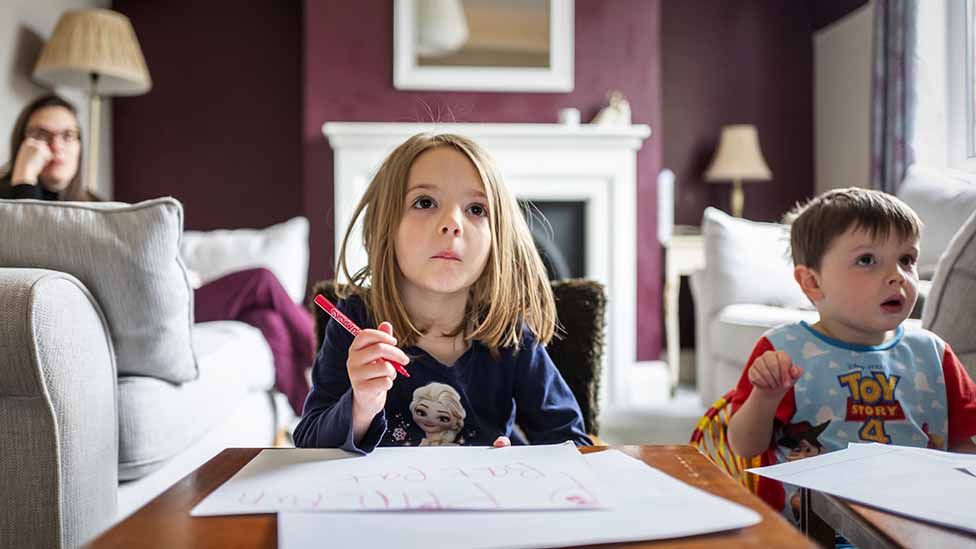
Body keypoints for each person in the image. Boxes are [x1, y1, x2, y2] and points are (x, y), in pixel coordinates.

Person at [2, 94, 314, 415]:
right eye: (41, 135)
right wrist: (23, 179)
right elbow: (27, 248)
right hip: (118, 316)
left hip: (141, 297)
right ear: (21, 142)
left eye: (68, 136)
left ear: (80, 146)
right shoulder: (7, 202)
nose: (57, 146)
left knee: (267, 320)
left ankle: (308, 421)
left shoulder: (93, 204)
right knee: (260, 280)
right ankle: (329, 351)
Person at [292, 133, 591, 452]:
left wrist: (522, 460)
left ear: (497, 239)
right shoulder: (356, 321)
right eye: (424, 202)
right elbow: (310, 444)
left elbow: (572, 441)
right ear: (384, 225)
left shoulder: (509, 333)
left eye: (476, 209)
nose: (452, 223)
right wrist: (361, 405)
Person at [726, 187, 976, 519]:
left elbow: (963, 448)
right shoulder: (784, 350)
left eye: (907, 259)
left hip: (915, 521)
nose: (896, 276)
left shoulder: (933, 353)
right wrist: (766, 396)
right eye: (867, 260)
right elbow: (744, 445)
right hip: (806, 530)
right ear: (813, 283)